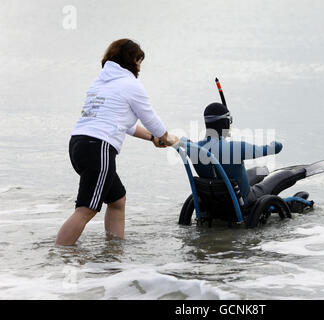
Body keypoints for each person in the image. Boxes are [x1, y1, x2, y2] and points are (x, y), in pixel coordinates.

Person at [55, 39, 178, 246]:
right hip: (98, 147)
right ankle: (59, 256)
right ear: (131, 61)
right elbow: (151, 119)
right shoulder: (131, 85)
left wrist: (151, 138)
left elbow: (125, 124)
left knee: (117, 200)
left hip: (78, 144)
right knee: (87, 208)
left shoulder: (101, 83)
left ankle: (113, 252)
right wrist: (168, 138)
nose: (140, 67)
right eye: (139, 61)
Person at [186, 102, 302, 206]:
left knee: (261, 170)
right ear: (226, 123)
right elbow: (276, 148)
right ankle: (298, 180)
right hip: (243, 199)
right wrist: (275, 143)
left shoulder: (192, 149)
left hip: (213, 198)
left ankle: (265, 170)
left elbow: (178, 140)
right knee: (283, 175)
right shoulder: (237, 147)